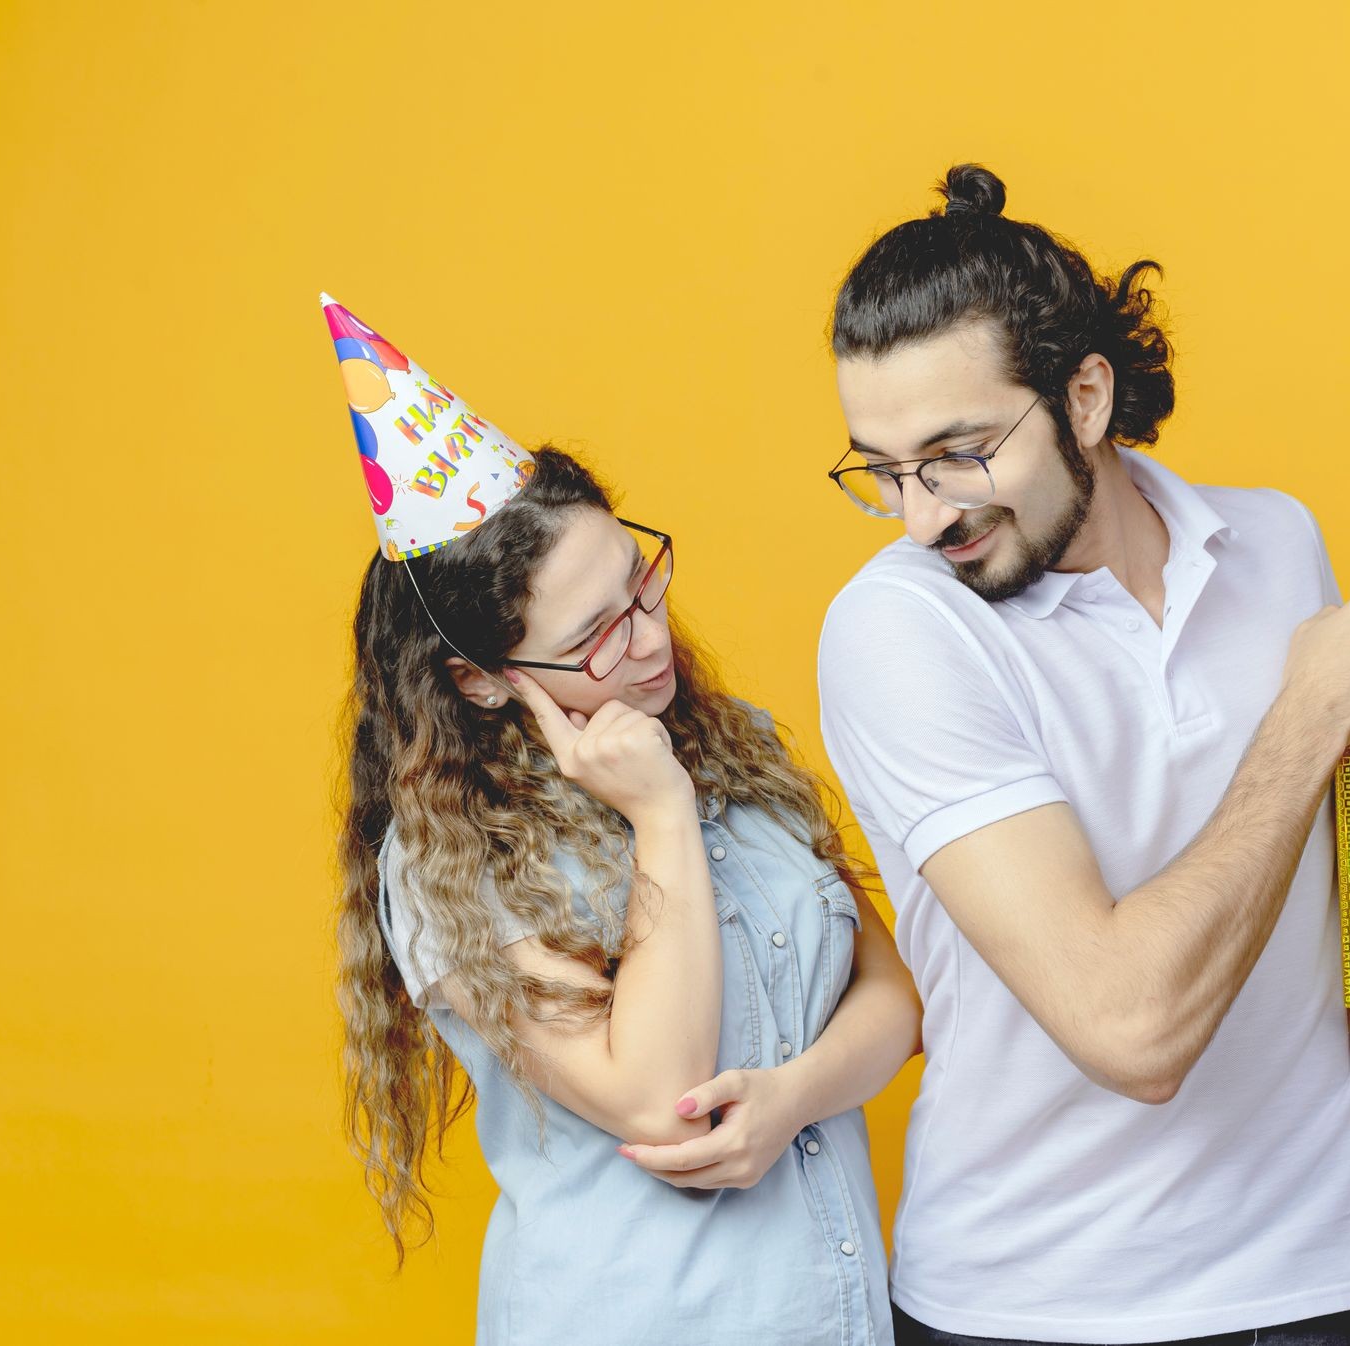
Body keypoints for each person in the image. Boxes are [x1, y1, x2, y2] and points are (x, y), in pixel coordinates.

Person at [814, 168, 1350, 1346]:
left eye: (958, 452)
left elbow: (1304, 889)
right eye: (884, 469)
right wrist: (1310, 713)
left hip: (1308, 1278)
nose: (923, 514)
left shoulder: (1273, 539)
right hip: (1037, 1304)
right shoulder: (901, 626)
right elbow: (1133, 1031)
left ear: (1086, 394)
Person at [324, 294, 921, 1346]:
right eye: (597, 632)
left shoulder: (736, 740)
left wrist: (790, 1099)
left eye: (641, 584)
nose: (648, 639)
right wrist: (660, 814)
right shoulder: (445, 858)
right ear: (483, 680)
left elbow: (894, 993)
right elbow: (658, 1093)